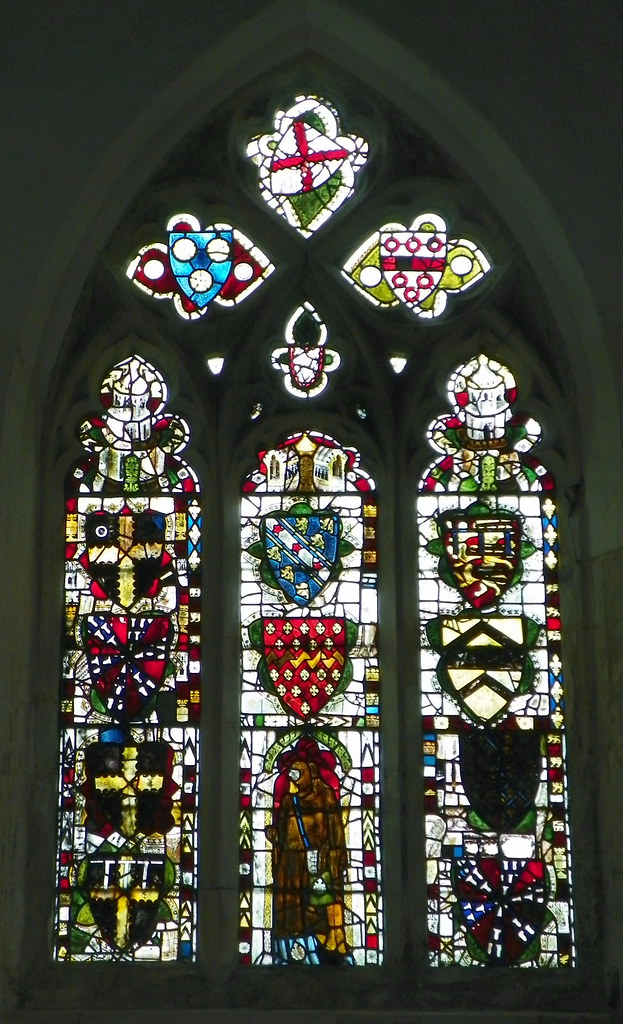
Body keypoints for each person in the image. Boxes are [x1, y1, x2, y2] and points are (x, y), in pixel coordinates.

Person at [267, 737, 353, 964]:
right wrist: (275, 837)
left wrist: (333, 859)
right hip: (289, 864)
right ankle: (290, 954)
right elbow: (283, 833)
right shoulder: (288, 801)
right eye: (292, 773)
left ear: (310, 772)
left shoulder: (325, 796)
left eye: (298, 772)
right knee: (290, 911)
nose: (294, 777)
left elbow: (335, 832)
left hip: (315, 862)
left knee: (317, 909)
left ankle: (325, 952)